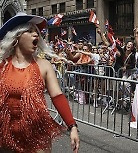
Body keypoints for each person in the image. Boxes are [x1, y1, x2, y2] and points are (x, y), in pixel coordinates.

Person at [0, 13, 79, 153]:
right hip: (6, 136)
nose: (36, 35)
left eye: (37, 32)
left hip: (36, 137)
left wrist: (72, 126)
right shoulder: (2, 66)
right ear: (16, 37)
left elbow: (57, 96)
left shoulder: (44, 65)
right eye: (30, 31)